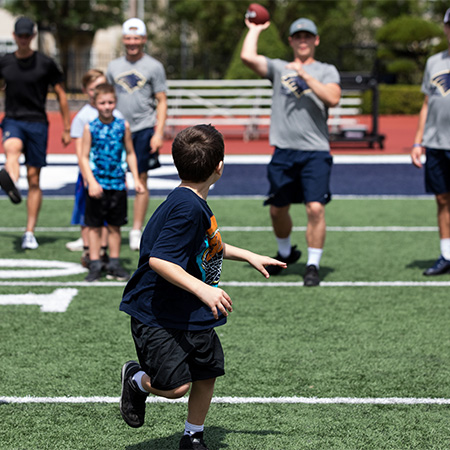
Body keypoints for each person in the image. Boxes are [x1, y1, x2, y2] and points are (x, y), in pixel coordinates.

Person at [118, 125, 286, 450]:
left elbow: (209, 244)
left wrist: (248, 255)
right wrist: (205, 289)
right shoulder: (186, 208)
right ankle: (136, 380)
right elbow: (159, 261)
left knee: (207, 372)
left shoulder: (192, 201)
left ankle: (192, 435)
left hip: (191, 309)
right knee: (175, 387)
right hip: (159, 314)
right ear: (219, 166)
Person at [240, 17, 341, 287]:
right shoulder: (279, 67)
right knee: (276, 209)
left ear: (316, 40)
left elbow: (333, 97)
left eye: (308, 36)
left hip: (315, 151)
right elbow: (247, 56)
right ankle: (286, 253)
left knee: (315, 208)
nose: (303, 40)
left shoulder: (326, 70)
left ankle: (312, 265)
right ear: (292, 41)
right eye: (298, 36)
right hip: (284, 151)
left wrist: (305, 75)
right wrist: (254, 30)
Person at [0, 16, 71, 249]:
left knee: (34, 179)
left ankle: (29, 232)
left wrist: (67, 126)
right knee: (12, 149)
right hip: (13, 119)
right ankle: (10, 181)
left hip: (38, 123)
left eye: (27, 36)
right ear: (14, 37)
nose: (23, 39)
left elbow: (60, 93)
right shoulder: (5, 62)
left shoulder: (45, 63)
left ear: (32, 36)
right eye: (19, 36)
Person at [107, 17, 168, 251]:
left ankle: (135, 229)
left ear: (143, 39)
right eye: (128, 38)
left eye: (136, 37)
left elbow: (161, 101)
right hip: (117, 130)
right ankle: (107, 227)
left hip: (143, 128)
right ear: (124, 39)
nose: (132, 42)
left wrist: (158, 132)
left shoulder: (154, 66)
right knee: (111, 179)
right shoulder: (113, 66)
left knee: (140, 179)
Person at [79, 83, 145, 282]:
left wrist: (136, 178)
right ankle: (95, 262)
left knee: (115, 226)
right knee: (94, 226)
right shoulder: (90, 127)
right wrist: (91, 182)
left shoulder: (122, 126)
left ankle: (114, 263)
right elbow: (83, 157)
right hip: (97, 185)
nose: (107, 106)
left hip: (117, 184)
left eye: (110, 102)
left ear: (115, 103)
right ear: (95, 103)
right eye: (102, 103)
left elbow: (130, 153)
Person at [66, 69, 124, 268]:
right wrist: (87, 177)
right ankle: (89, 251)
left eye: (101, 86)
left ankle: (103, 250)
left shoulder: (115, 114)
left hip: (112, 177)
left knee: (109, 217)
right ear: (86, 90)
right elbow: (81, 152)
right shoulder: (84, 117)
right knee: (88, 215)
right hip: (91, 174)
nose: (97, 92)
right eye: (93, 88)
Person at [411, 8, 450, 276]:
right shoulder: (434, 62)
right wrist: (417, 142)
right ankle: (447, 255)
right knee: (442, 199)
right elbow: (426, 103)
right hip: (436, 143)